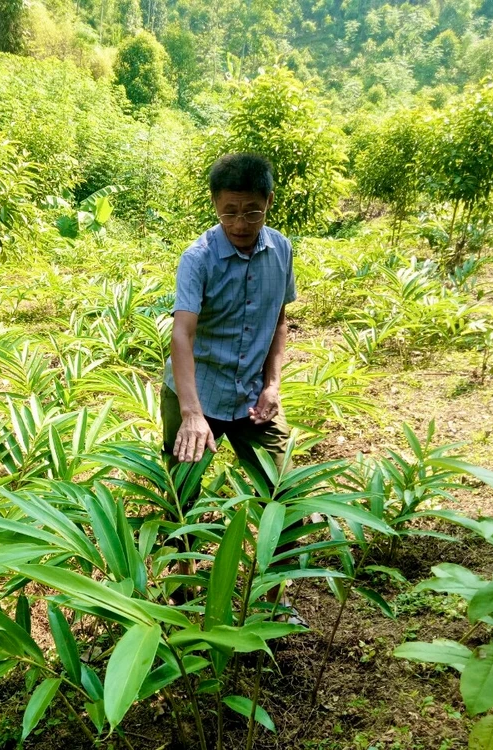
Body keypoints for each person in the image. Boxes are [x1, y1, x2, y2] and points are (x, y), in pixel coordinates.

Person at [161, 152, 302, 622]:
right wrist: (191, 413)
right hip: (196, 394)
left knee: (282, 493)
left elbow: (279, 319)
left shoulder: (281, 250)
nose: (240, 222)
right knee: (183, 495)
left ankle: (276, 596)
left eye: (252, 211)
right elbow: (182, 334)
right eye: (229, 212)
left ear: (269, 202)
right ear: (215, 208)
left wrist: (273, 384)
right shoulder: (198, 258)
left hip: (252, 398)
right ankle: (182, 588)